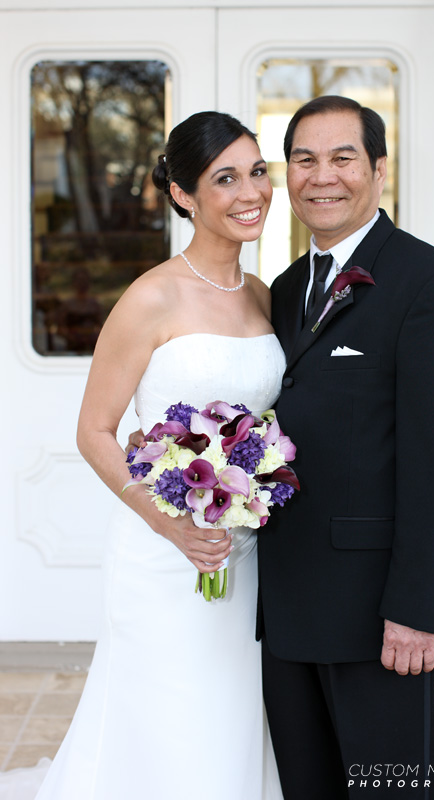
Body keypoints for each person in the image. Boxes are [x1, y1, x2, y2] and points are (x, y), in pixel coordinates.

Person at [14, 111, 284, 800]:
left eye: (257, 171)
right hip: (161, 555)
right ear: (183, 195)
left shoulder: (262, 296)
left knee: (227, 706)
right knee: (163, 710)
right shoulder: (150, 296)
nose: (250, 190)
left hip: (240, 548)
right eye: (225, 178)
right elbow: (95, 431)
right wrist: (171, 525)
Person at [257, 96, 434, 799]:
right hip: (289, 600)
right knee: (309, 786)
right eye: (303, 159)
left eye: (341, 157)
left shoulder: (428, 284)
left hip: (378, 614)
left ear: (378, 170)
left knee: (392, 790)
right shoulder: (288, 287)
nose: (319, 177)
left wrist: (416, 606)